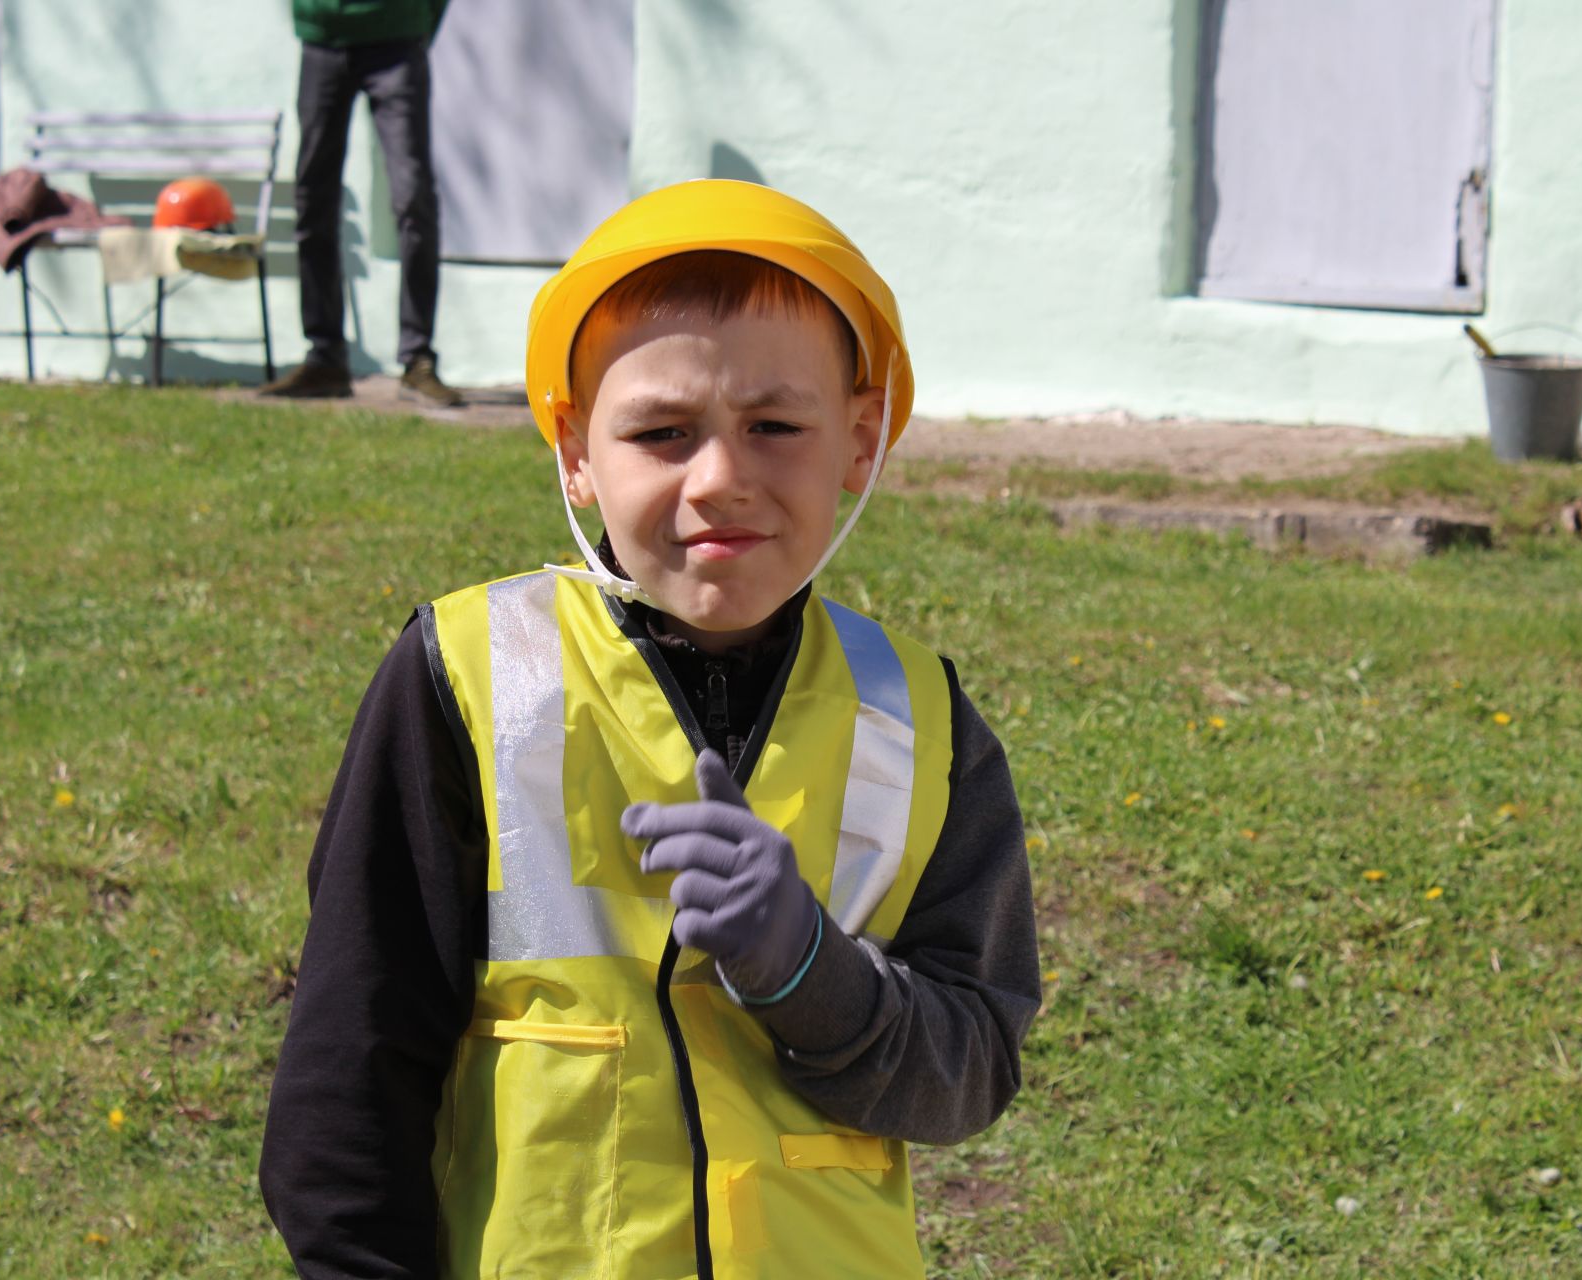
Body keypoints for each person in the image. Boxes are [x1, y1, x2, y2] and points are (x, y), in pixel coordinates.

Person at [258, 180, 1042, 1279]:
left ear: (860, 440)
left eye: (776, 425)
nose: (720, 478)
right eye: (663, 432)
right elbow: (352, 1060)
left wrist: (808, 966)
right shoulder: (469, 676)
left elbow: (968, 1071)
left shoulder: (917, 720)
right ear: (577, 449)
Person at [260, 0, 463, 407]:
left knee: (413, 200)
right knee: (313, 197)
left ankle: (417, 358)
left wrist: (417, 21)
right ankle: (325, 358)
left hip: (398, 39)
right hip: (322, 41)